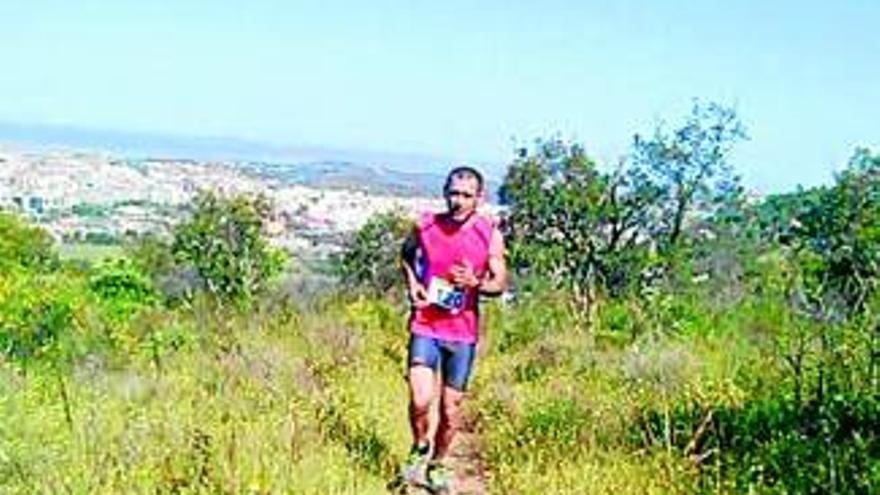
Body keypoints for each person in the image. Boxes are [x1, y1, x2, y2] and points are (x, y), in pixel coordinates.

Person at [399, 166, 507, 493]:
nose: (457, 201)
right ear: (445, 192)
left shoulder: (489, 233)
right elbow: (406, 254)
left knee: (450, 410)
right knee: (420, 399)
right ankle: (420, 447)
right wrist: (414, 284)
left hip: (462, 334)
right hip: (426, 324)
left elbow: (499, 282)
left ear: (479, 197)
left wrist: (476, 283)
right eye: (453, 193)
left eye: (465, 195)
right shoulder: (427, 224)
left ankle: (437, 464)